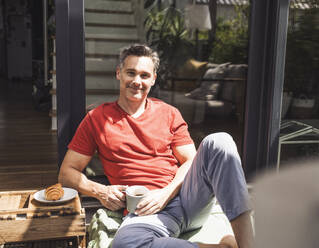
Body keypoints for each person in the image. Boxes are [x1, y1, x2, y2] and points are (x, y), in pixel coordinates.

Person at [58, 44, 253, 248]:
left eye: (144, 75)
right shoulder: (97, 119)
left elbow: (189, 161)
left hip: (187, 199)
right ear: (119, 73)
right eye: (130, 73)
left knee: (220, 141)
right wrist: (101, 191)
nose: (137, 81)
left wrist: (165, 193)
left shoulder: (168, 113)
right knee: (125, 245)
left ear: (153, 79)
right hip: (143, 211)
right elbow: (66, 173)